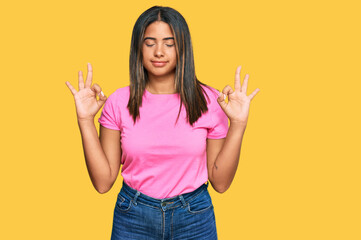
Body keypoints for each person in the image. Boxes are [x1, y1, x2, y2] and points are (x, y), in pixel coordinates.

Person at [65, 5, 259, 240]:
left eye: (169, 43)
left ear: (183, 49)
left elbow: (220, 182)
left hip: (194, 216)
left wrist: (238, 124)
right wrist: (85, 120)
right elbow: (103, 182)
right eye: (150, 43)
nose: (159, 52)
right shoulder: (118, 101)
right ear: (138, 47)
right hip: (133, 217)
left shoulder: (209, 100)